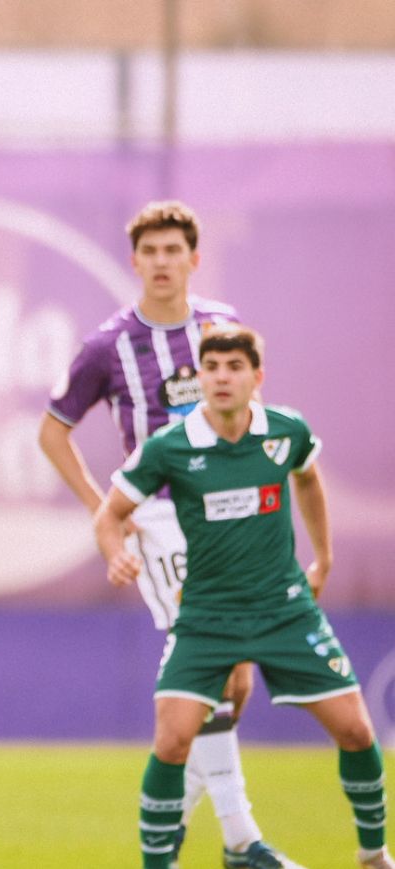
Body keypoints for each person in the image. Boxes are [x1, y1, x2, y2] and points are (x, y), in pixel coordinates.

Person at [95, 325, 389, 869]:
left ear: (257, 376)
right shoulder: (171, 447)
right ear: (200, 377)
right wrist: (116, 552)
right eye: (213, 368)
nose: (223, 377)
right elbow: (109, 513)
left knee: (355, 729)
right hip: (206, 615)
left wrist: (322, 556)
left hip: (282, 608)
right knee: (172, 740)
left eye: (235, 367)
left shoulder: (285, 431)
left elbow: (308, 477)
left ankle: (374, 855)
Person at [39, 201, 274, 865]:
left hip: (231, 518)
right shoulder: (108, 344)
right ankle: (241, 837)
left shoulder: (222, 329)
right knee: (211, 661)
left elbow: (251, 420)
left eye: (174, 250)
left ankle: (169, 819)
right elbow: (52, 430)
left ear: (194, 259)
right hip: (162, 520)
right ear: (135, 261)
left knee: (233, 682)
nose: (163, 261)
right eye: (151, 251)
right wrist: (103, 505)